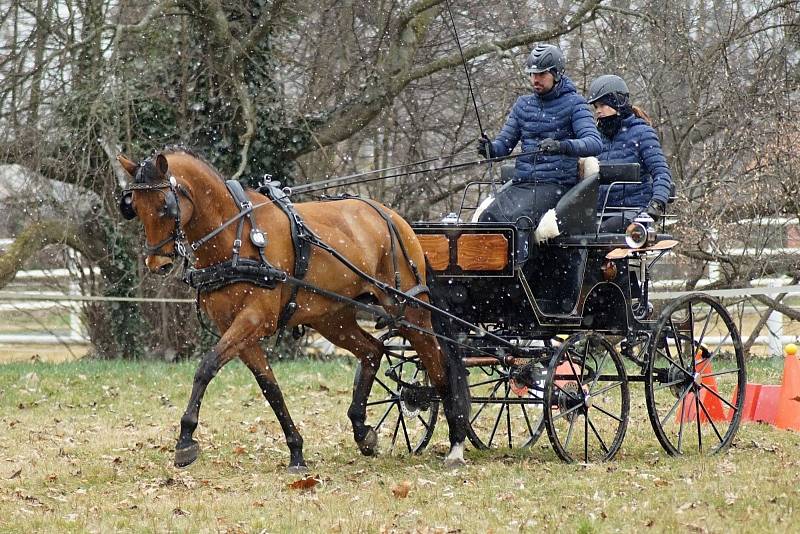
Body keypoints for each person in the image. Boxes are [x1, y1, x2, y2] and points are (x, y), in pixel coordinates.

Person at [476, 43, 602, 238]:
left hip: (555, 184)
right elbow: (504, 145)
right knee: (487, 218)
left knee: (519, 220)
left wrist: (562, 146)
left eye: (541, 74)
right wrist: (490, 148)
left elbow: (594, 142)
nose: (535, 79)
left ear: (556, 74)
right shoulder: (523, 105)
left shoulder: (575, 104)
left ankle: (517, 268)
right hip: (522, 183)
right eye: (532, 74)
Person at [586, 74, 673, 233]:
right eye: (595, 107)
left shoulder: (642, 134)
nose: (598, 111)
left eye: (602, 105)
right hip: (598, 213)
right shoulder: (596, 137)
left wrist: (657, 203)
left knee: (601, 236)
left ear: (617, 102)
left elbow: (661, 172)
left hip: (632, 213)